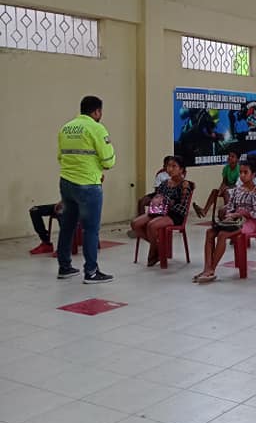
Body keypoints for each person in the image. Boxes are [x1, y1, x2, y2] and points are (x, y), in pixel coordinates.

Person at [56, 95, 116, 283]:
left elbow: (60, 157)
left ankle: (64, 267)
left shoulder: (66, 128)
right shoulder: (97, 128)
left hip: (66, 183)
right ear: (97, 111)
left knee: (67, 226)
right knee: (90, 229)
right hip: (88, 185)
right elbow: (108, 160)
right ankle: (91, 272)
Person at [193, 162, 256, 283]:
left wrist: (240, 213)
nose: (242, 175)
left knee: (222, 235)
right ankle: (207, 267)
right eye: (240, 172)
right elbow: (230, 207)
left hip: (249, 223)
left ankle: (211, 269)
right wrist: (229, 215)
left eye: (245, 172)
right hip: (234, 221)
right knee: (210, 232)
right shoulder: (237, 190)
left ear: (253, 175)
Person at [130, 156, 193, 265]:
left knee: (151, 225)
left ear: (181, 169)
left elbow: (182, 206)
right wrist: (154, 200)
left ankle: (155, 252)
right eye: (168, 166)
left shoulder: (185, 185)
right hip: (159, 212)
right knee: (135, 224)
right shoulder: (164, 183)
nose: (170, 169)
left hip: (174, 215)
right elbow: (158, 196)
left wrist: (167, 202)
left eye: (174, 166)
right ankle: (159, 249)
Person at [193, 151, 240, 219]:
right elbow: (224, 182)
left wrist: (226, 188)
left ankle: (228, 213)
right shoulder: (226, 168)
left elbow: (238, 185)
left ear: (237, 159)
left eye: (232, 156)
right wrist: (220, 190)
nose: (229, 158)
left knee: (226, 192)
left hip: (237, 190)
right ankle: (204, 211)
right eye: (229, 156)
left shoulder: (239, 169)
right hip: (228, 188)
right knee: (214, 191)